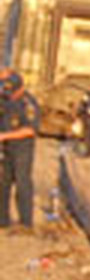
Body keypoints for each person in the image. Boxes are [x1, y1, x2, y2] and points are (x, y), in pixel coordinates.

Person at [0, 69, 39, 230]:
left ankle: (25, 221)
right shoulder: (5, 99)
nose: (11, 96)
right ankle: (2, 220)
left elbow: (30, 130)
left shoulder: (28, 104)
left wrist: (4, 136)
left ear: (20, 88)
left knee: (22, 183)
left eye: (13, 92)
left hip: (22, 149)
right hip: (6, 148)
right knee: (3, 184)